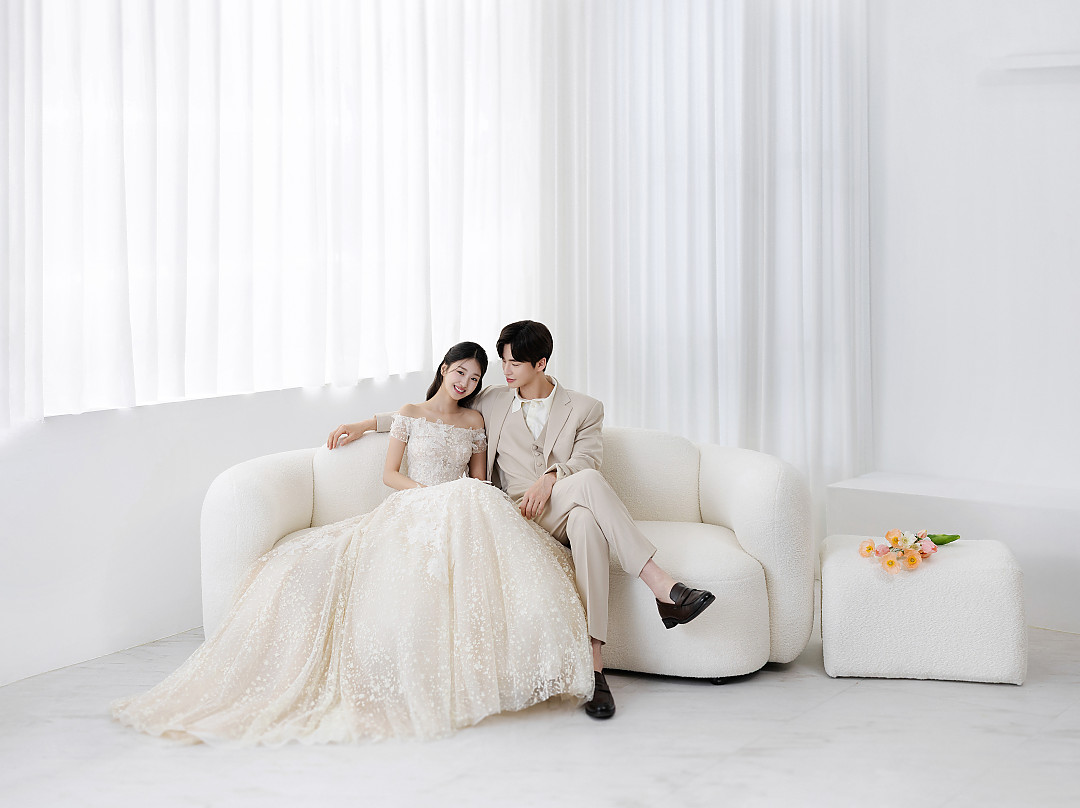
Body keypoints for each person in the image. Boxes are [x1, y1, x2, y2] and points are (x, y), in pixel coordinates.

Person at [111, 342, 593, 745]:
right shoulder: (410, 413)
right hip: (415, 502)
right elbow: (390, 474)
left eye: (474, 377)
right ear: (444, 369)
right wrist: (379, 441)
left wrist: (457, 498)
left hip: (461, 505)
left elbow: (479, 480)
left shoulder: (475, 423)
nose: (465, 382)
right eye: (459, 372)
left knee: (479, 512)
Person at [343, 321, 714, 720]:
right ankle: (662, 587)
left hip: (562, 506)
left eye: (514, 364)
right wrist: (365, 424)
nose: (505, 371)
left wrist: (551, 478)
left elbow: (587, 460)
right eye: (502, 362)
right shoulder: (492, 399)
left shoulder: (586, 408)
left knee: (586, 520)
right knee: (588, 496)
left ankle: (594, 667)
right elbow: (435, 412)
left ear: (540, 363)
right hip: (514, 513)